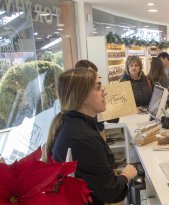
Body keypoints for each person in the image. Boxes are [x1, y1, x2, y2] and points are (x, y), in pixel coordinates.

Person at [41, 69, 137, 205]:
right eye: (98, 88)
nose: (105, 92)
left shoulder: (70, 124)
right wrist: (127, 175)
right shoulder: (84, 138)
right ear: (81, 96)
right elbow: (111, 192)